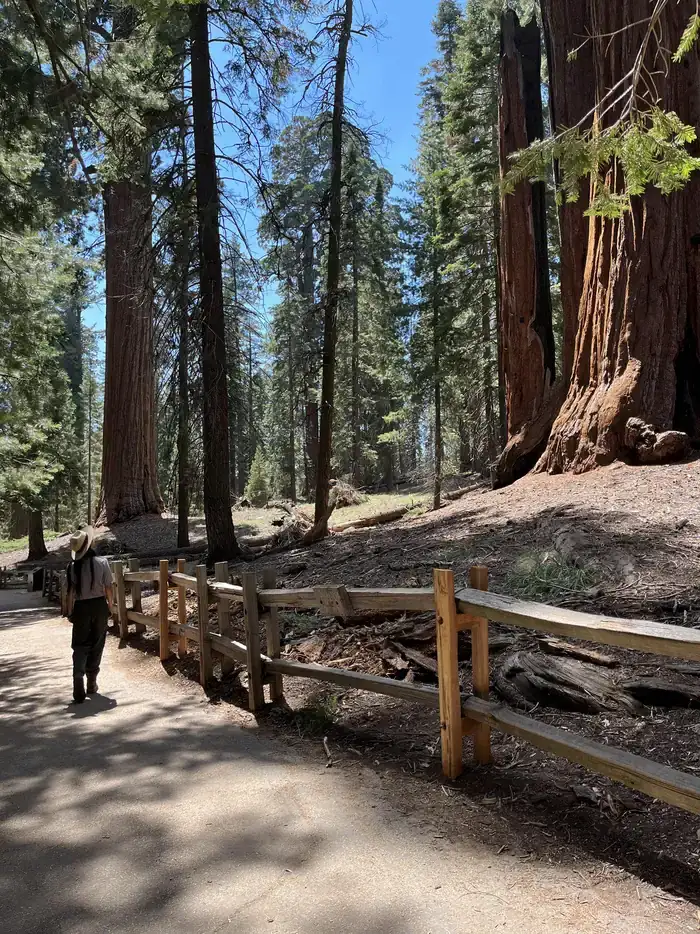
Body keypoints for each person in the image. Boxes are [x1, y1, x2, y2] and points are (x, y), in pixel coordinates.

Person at [66, 528, 113, 703]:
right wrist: (111, 606)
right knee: (97, 643)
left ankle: (78, 676)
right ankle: (92, 682)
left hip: (81, 608)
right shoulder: (102, 563)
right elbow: (108, 587)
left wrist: (70, 612)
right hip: (99, 606)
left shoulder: (72, 567)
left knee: (80, 645)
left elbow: (70, 593)